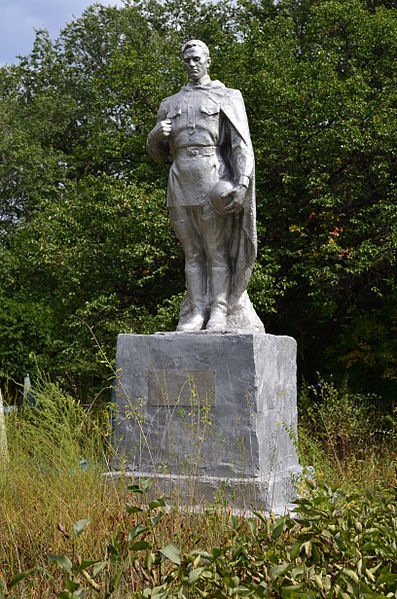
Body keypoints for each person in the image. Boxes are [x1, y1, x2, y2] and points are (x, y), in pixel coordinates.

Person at [147, 39, 264, 332]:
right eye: (187, 60)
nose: (192, 64)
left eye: (197, 59)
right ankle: (197, 310)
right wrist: (153, 136)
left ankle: (220, 311)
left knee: (215, 249)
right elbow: (158, 154)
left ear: (208, 61)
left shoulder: (227, 97)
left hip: (212, 177)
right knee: (192, 251)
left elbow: (241, 146)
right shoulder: (169, 104)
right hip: (180, 179)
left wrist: (243, 182)